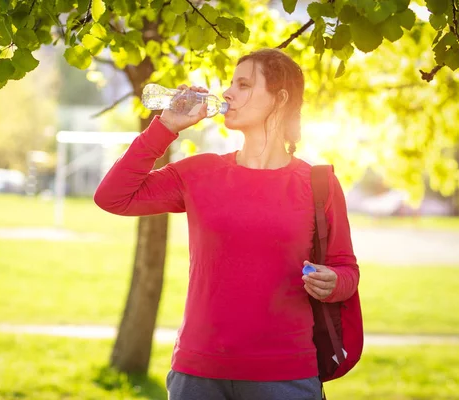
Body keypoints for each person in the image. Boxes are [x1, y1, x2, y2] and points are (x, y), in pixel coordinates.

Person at [94, 49, 359, 400]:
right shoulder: (199, 172)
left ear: (279, 99)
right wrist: (166, 126)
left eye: (244, 84)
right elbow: (112, 197)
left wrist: (333, 282)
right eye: (231, 83)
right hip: (198, 374)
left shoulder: (318, 183)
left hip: (286, 375)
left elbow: (346, 271)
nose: (228, 93)